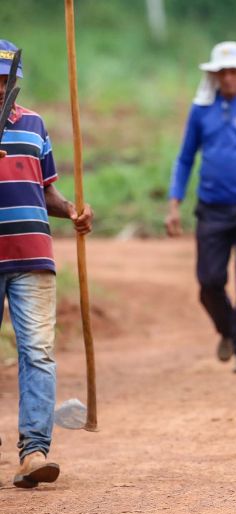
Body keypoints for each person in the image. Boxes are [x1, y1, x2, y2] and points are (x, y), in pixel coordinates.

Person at [0, 39, 94, 488]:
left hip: (33, 257)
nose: (0, 87)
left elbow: (46, 192)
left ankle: (34, 452)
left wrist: (73, 209)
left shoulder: (34, 124)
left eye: (6, 79)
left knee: (37, 352)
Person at [166, 41, 236, 373]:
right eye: (222, 72)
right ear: (214, 75)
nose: (228, 78)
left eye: (235, 72)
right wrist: (174, 203)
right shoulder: (201, 110)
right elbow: (184, 158)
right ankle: (228, 329)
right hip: (210, 207)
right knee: (208, 280)